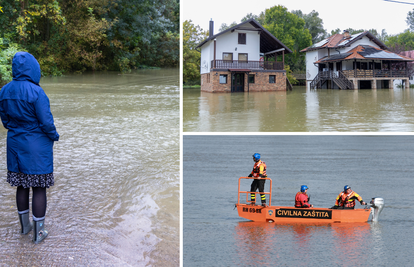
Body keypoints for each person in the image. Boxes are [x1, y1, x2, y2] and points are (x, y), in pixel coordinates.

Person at [0, 52, 59, 243]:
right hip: (36, 147)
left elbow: (6, 121)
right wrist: (54, 135)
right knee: (39, 187)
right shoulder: (37, 92)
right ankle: (39, 232)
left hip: (15, 144)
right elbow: (46, 122)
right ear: (34, 69)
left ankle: (25, 227)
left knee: (22, 185)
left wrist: (19, 129)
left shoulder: (4, 91)